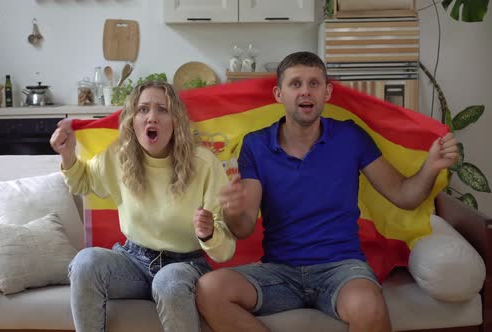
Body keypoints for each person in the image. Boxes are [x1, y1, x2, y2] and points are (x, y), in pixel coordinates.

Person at [195, 51, 458, 332]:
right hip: (279, 271)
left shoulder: (350, 136)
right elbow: (244, 226)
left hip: (342, 268)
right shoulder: (256, 145)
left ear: (327, 92)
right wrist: (233, 210)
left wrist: (431, 166)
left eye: (314, 84)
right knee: (208, 289)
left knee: (369, 306)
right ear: (278, 94)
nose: (305, 91)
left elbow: (405, 196)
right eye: (295, 84)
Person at [50, 80, 236, 332]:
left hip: (185, 265)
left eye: (162, 109)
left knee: (167, 281)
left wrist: (209, 233)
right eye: (143, 109)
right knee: (85, 262)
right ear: (132, 121)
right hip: (133, 261)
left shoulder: (204, 163)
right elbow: (82, 181)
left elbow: (225, 250)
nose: (152, 117)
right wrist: (67, 153)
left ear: (176, 121)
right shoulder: (118, 155)